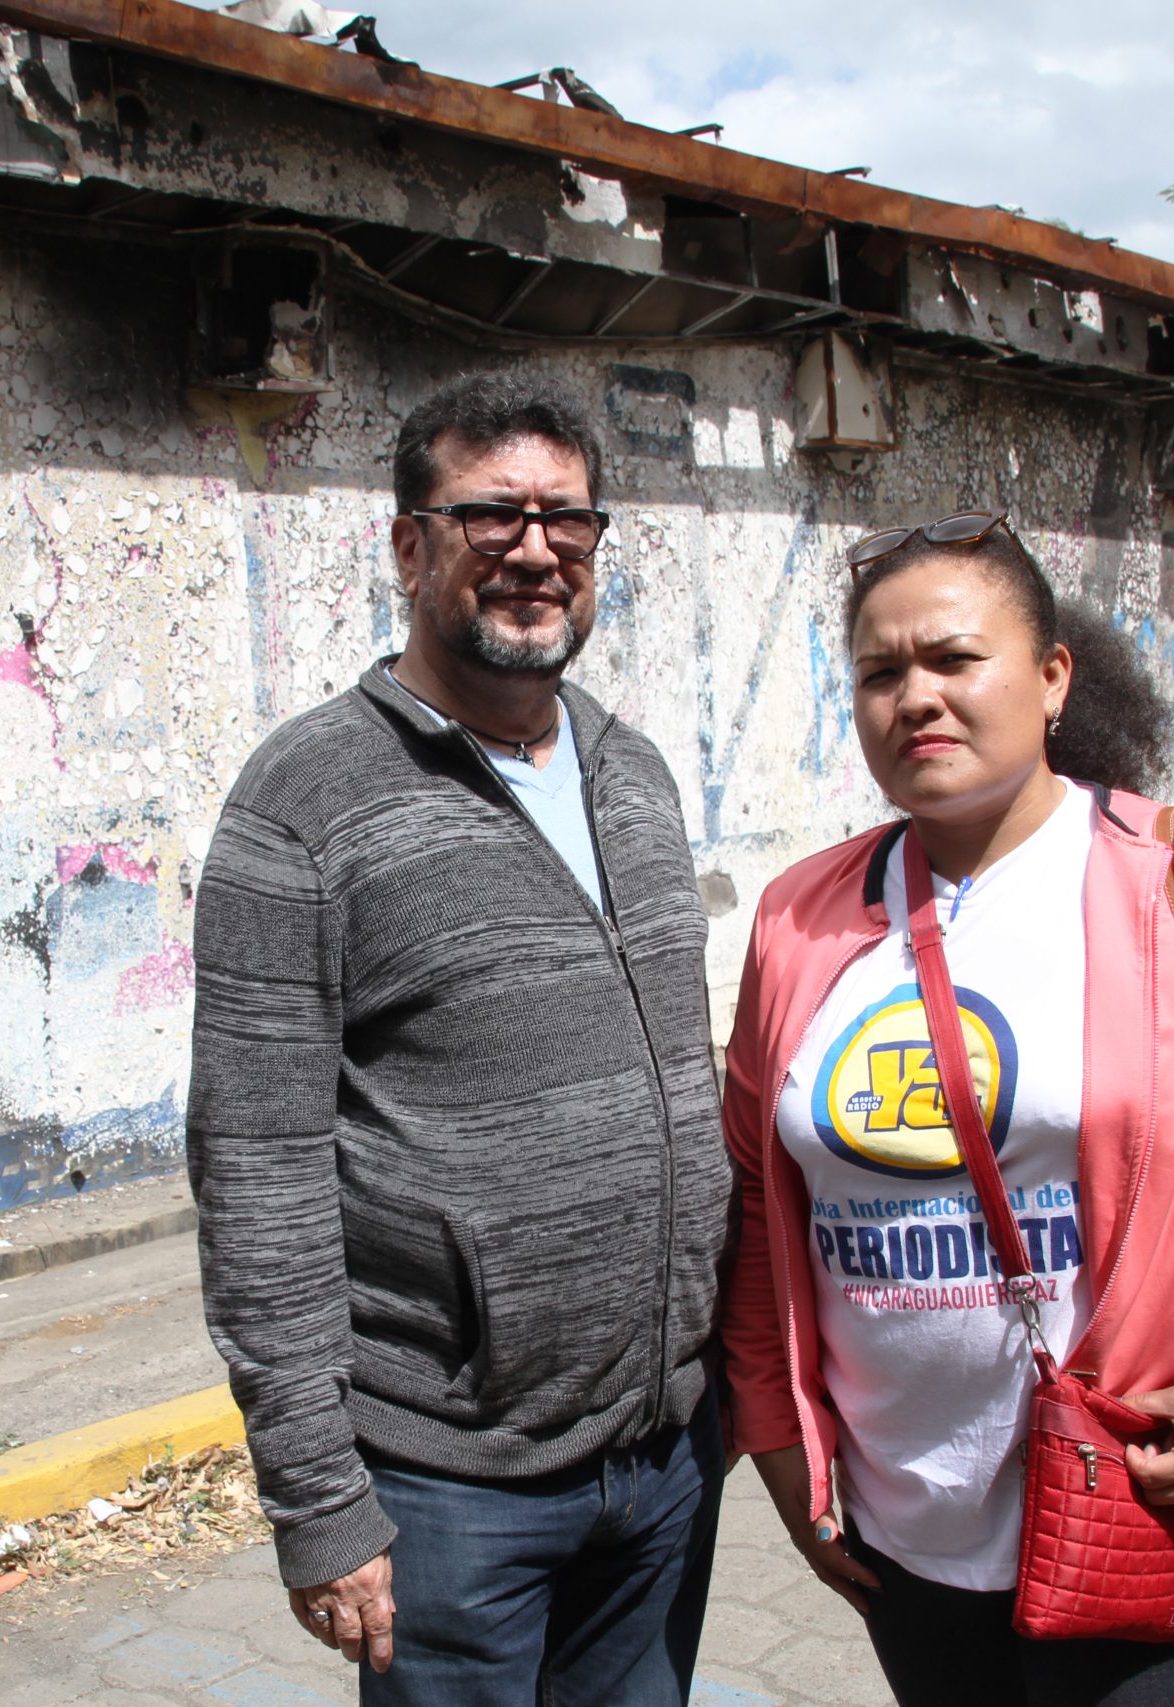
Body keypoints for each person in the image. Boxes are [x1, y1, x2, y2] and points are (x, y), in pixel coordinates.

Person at [718, 512, 1174, 1706]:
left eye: (954, 659)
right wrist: (778, 1444)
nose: (915, 698)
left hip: (1125, 1497)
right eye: (879, 673)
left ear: (1053, 677)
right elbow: (760, 1205)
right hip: (895, 1526)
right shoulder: (796, 916)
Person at [187, 372, 731, 1705]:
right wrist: (318, 1498)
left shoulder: (634, 771)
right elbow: (257, 1172)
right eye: (492, 515)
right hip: (449, 1488)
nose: (535, 551)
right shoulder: (304, 801)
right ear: (408, 544)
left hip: (663, 1456)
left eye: (567, 519)